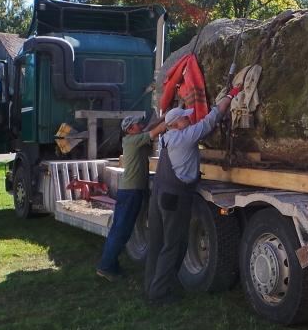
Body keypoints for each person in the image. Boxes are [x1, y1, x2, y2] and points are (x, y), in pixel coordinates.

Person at [145, 85, 241, 305]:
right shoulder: (185, 137)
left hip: (160, 193)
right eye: (185, 118)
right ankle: (159, 293)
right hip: (175, 197)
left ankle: (152, 285)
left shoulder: (166, 138)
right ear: (175, 124)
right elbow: (211, 120)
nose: (189, 119)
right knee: (174, 244)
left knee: (158, 242)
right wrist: (230, 96)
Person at [97, 114, 167, 282]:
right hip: (131, 192)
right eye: (137, 124)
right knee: (121, 230)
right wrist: (173, 117)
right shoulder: (132, 140)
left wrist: (163, 116)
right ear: (129, 129)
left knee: (121, 229)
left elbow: (150, 127)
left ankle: (111, 264)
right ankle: (106, 267)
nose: (140, 125)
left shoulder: (135, 138)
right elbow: (156, 130)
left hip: (130, 191)